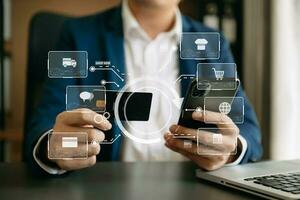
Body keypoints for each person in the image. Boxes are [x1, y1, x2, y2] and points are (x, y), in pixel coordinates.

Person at [25, 0, 262, 175]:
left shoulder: (213, 42)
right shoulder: (77, 36)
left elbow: (248, 132)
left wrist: (229, 151)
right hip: (103, 189)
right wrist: (55, 147)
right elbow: (43, 127)